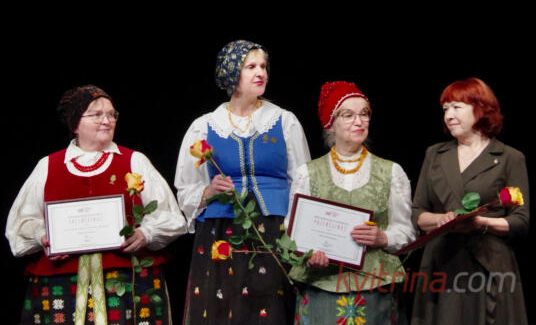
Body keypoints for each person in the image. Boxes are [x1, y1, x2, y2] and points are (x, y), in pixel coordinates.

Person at [6, 85, 187, 324]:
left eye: (111, 114)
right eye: (97, 114)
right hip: (63, 283)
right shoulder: (48, 166)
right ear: (75, 124)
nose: (107, 120)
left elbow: (170, 216)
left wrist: (146, 233)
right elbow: (22, 221)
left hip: (126, 280)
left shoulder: (135, 161)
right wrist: (43, 237)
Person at [175, 40, 311, 324]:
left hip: (274, 229)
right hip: (222, 230)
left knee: (271, 307)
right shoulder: (205, 126)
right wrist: (209, 190)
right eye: (250, 67)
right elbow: (186, 187)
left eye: (263, 66)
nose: (260, 72)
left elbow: (302, 182)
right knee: (223, 307)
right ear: (231, 73)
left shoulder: (284, 121)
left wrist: (298, 231)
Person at [287, 80, 416, 325]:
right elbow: (292, 233)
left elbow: (406, 232)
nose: (359, 121)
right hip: (321, 284)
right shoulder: (308, 174)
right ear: (330, 124)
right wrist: (308, 254)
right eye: (348, 115)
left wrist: (383, 237)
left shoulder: (391, 172)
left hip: (374, 285)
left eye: (364, 114)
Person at [411, 77, 530, 325]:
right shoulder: (435, 154)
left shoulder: (508, 157)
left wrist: (480, 222)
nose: (448, 115)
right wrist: (440, 219)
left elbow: (520, 220)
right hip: (442, 265)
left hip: (488, 266)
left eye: (457, 107)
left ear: (480, 108)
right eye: (445, 109)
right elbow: (418, 212)